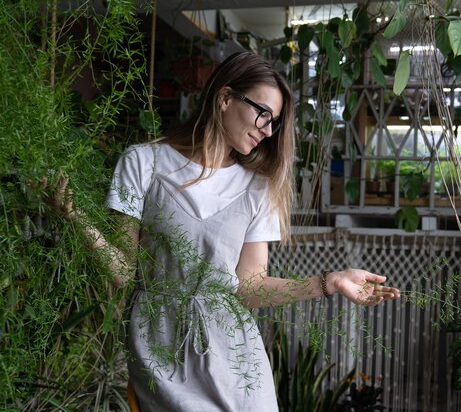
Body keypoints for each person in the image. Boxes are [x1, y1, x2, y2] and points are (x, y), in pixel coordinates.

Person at [45, 51, 400, 412]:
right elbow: (123, 271)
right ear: (225, 98)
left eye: (274, 122)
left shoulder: (257, 187)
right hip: (161, 347)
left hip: (236, 358)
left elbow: (249, 287)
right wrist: (76, 219)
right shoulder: (144, 163)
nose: (267, 129)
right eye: (263, 113)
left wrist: (330, 282)